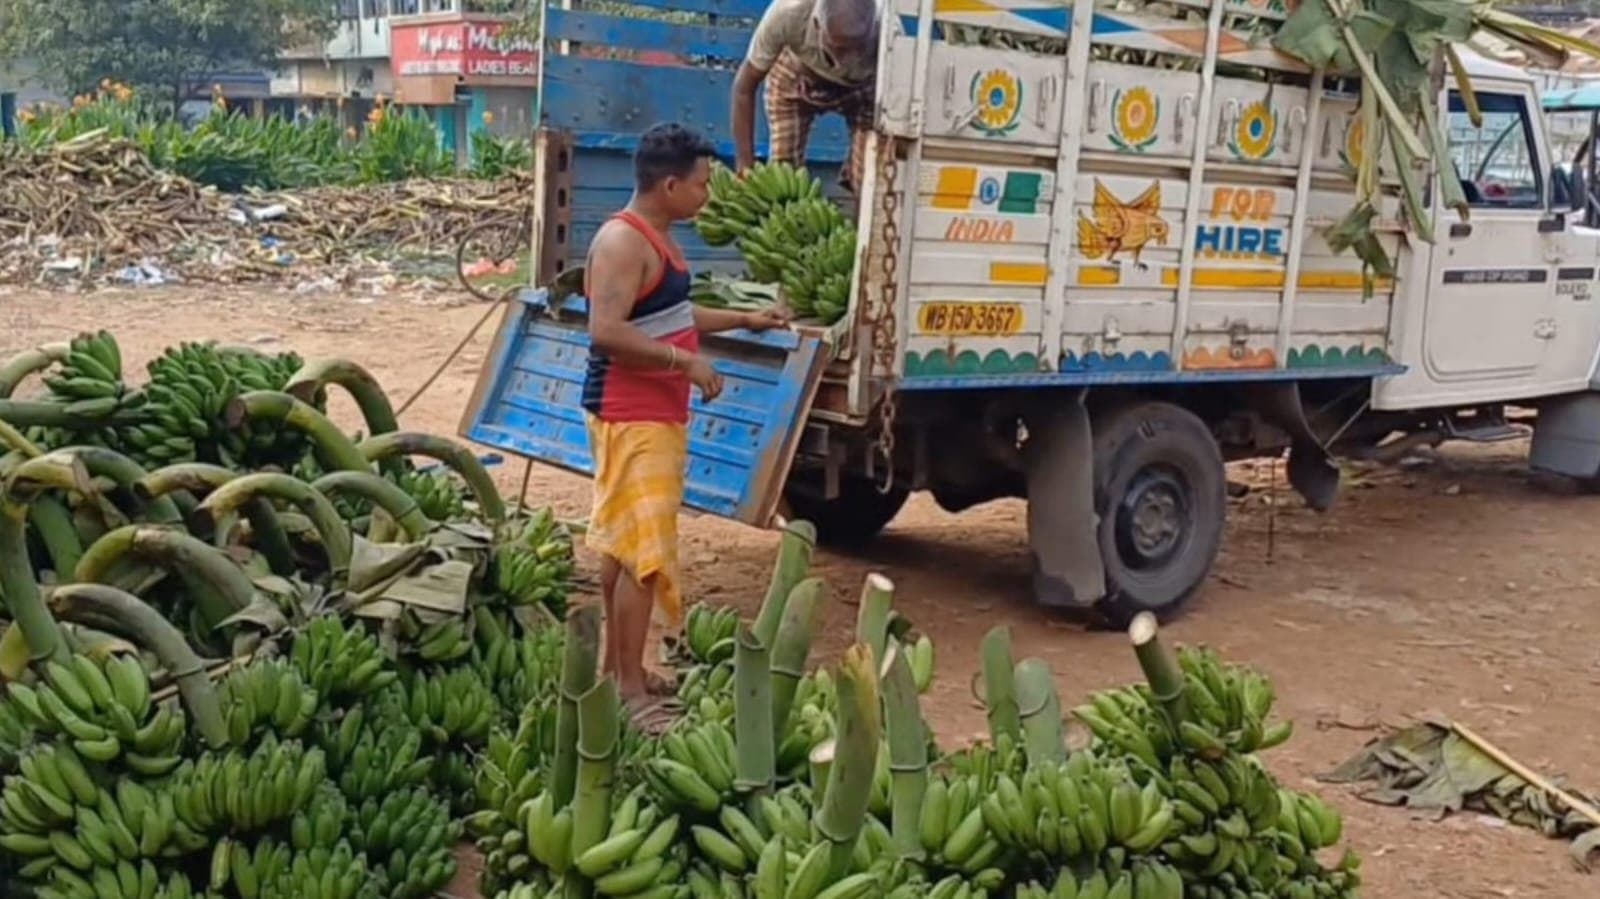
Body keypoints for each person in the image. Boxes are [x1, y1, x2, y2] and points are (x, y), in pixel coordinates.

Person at [582, 122, 790, 729]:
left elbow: (672, 312)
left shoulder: (657, 238)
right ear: (670, 184)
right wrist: (686, 363)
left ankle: (622, 670)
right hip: (631, 412)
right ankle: (627, 688)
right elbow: (607, 330)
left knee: (624, 546)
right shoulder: (624, 242)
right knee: (643, 555)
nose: (707, 196)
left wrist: (745, 320)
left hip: (652, 412)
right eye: (701, 185)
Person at [731, 0, 880, 194]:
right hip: (795, 75)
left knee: (871, 179)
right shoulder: (788, 13)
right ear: (818, 26)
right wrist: (744, 166)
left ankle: (862, 222)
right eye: (840, 49)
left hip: (863, 86)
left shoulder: (888, 29)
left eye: (857, 48)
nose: (846, 61)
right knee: (781, 176)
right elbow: (743, 88)